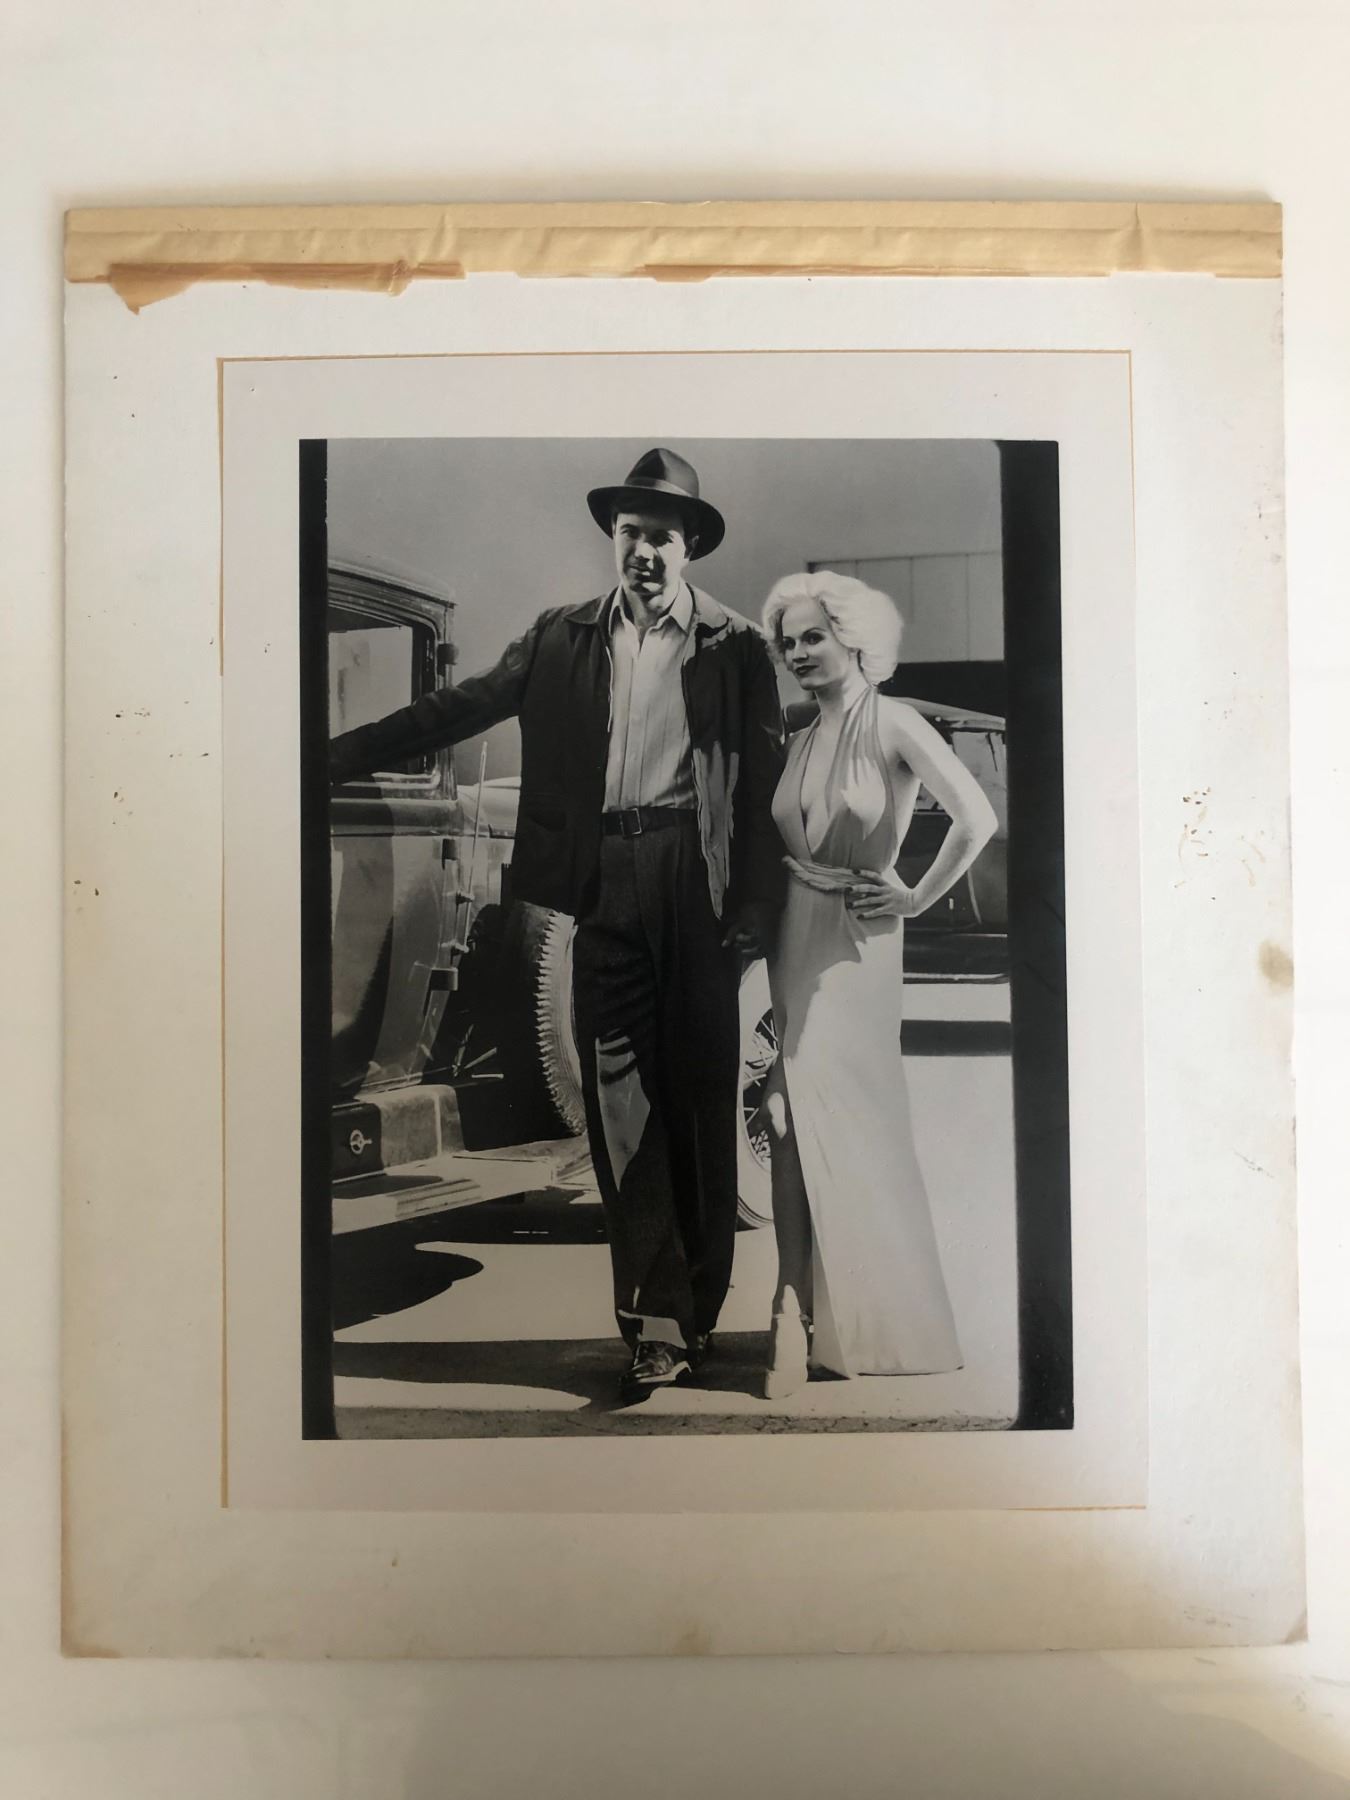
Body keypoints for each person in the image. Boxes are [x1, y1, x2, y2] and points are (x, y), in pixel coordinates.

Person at [329, 448, 785, 1403]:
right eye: (629, 534)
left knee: (700, 1105)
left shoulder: (734, 646)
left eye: (661, 537)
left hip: (695, 886)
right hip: (601, 882)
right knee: (621, 1111)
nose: (644, 552)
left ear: (689, 548)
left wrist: (755, 908)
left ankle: (700, 1306)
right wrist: (323, 755)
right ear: (613, 540)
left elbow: (764, 785)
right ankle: (656, 1327)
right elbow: (457, 708)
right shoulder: (561, 635)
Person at [758, 570, 998, 1398]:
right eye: (788, 641)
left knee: (825, 1117)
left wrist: (916, 897)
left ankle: (817, 1312)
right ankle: (805, 1309)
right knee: (787, 1116)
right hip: (795, 937)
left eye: (812, 637)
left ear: (854, 639)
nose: (797, 653)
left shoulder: (893, 722)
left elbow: (976, 817)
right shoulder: (799, 736)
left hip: (859, 943)